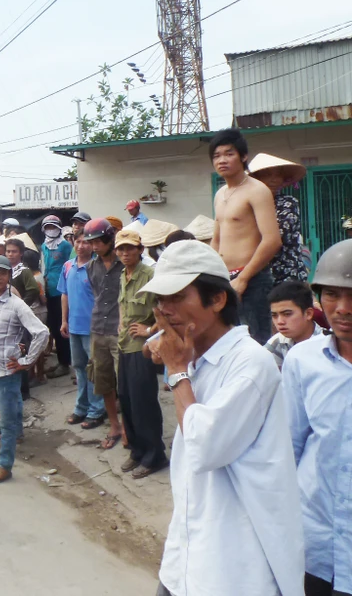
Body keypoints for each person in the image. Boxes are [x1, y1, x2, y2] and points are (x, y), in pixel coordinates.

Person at [142, 240, 303, 596]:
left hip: (232, 567)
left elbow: (204, 449)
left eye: (176, 297)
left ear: (217, 300)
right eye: (159, 300)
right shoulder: (194, 351)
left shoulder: (250, 365)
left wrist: (177, 371)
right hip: (186, 554)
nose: (164, 310)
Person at [282, 240, 352, 596]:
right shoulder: (302, 361)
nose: (342, 309)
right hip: (316, 545)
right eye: (331, 295)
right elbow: (290, 446)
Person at [0, 255, 49, 483]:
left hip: (7, 373)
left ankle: (5, 465)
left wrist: (26, 361)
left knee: (7, 421)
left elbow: (41, 332)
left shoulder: (16, 304)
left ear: (9, 277)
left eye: (3, 273)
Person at [210, 128, 282, 344]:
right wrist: (213, 276)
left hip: (252, 280)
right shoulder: (220, 193)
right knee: (228, 341)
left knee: (255, 343)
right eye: (216, 155)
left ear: (243, 156)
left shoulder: (257, 190)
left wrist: (243, 279)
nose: (222, 160)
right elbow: (216, 240)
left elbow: (272, 240)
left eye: (229, 154)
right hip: (226, 280)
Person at [113, 229, 167, 478]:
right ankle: (137, 451)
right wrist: (121, 326)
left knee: (143, 402)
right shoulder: (123, 275)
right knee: (126, 399)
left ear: (140, 250)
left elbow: (166, 308)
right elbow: (123, 307)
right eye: (121, 249)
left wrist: (151, 330)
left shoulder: (150, 275)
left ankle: (154, 456)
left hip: (142, 348)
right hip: (125, 345)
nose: (125, 253)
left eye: (130, 248)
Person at [83, 218, 124, 451]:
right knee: (103, 381)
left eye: (98, 242)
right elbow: (97, 294)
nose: (94, 247)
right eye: (91, 243)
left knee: (125, 383)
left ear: (110, 239)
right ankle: (114, 426)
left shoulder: (126, 263)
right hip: (98, 328)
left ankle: (128, 427)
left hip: (120, 330)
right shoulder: (91, 267)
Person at [59, 230, 106, 430]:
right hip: (74, 326)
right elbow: (65, 295)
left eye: (86, 242)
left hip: (93, 328)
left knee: (94, 370)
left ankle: (97, 410)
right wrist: (63, 320)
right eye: (77, 241)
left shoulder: (97, 267)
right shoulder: (67, 266)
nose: (81, 246)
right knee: (78, 368)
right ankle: (81, 407)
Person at [248, 153, 309, 285]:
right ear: (256, 178)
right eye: (268, 175)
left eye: (277, 175)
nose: (274, 179)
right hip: (256, 276)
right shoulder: (248, 206)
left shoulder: (288, 203)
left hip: (287, 275)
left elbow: (277, 238)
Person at [41, 215, 73, 378]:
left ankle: (66, 363)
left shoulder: (65, 246)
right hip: (48, 290)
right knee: (53, 326)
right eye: (47, 227)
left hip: (62, 291)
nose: (50, 230)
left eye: (53, 226)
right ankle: (61, 361)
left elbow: (71, 264)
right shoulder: (44, 246)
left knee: (62, 326)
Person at [265, 281, 323, 368]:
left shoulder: (327, 343)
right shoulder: (278, 341)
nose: (280, 321)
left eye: (287, 314)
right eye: (274, 315)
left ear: (308, 313)